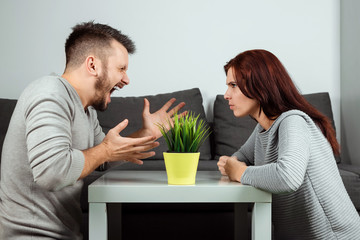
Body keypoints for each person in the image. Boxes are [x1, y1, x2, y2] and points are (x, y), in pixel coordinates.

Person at [0, 21, 185, 239]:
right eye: (121, 68)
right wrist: (105, 150)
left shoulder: (86, 110)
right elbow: (52, 173)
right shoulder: (49, 93)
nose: (126, 79)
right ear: (93, 65)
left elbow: (102, 156)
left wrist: (147, 133)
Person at [217, 49, 360, 239]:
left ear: (259, 85)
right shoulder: (263, 128)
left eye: (233, 85)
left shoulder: (292, 121)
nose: (227, 94)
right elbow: (239, 157)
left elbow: (288, 176)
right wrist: (231, 164)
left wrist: (239, 172)